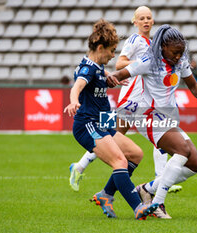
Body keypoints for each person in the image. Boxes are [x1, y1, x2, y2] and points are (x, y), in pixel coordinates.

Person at [106, 24, 197, 219]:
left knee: (195, 163)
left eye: (181, 52)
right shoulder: (149, 61)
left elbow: (193, 86)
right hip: (147, 115)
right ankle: (157, 204)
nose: (178, 56)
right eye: (175, 52)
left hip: (167, 118)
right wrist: (111, 79)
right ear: (163, 46)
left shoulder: (181, 61)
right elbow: (120, 74)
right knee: (182, 151)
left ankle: (147, 189)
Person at [69, 6, 181, 194]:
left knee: (154, 133)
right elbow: (120, 63)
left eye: (149, 18)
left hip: (142, 101)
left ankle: (160, 181)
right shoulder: (135, 40)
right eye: (142, 18)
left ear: (153, 21)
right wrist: (142, 65)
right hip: (130, 100)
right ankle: (80, 168)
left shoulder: (152, 43)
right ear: (134, 22)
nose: (146, 21)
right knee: (109, 136)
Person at [64, 19, 158, 220]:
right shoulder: (87, 69)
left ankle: (105, 194)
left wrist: (110, 77)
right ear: (100, 47)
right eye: (112, 50)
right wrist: (73, 101)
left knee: (136, 154)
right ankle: (137, 207)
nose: (113, 55)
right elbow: (77, 86)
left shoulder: (95, 65)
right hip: (88, 124)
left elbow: (98, 73)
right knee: (119, 161)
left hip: (103, 122)